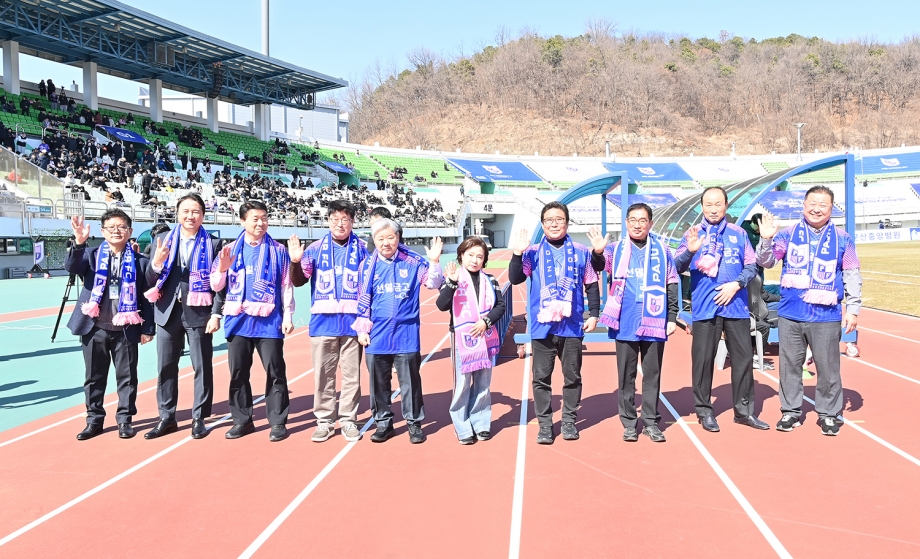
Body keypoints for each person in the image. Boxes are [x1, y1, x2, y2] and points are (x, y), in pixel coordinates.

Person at [756, 186, 862, 436]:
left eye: (823, 204)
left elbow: (852, 274)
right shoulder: (787, 234)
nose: (816, 208)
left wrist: (853, 308)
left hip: (826, 316)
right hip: (791, 313)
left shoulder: (843, 239)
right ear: (803, 206)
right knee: (790, 366)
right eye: (812, 203)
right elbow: (766, 262)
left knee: (828, 368)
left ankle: (829, 414)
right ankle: (790, 411)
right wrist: (766, 239)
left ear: (831, 209)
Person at [674, 187, 768, 433]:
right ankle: (704, 411)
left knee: (744, 360)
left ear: (726, 205)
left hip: (736, 307)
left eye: (718, 204)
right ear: (701, 207)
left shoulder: (739, 234)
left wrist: (736, 284)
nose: (713, 209)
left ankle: (744, 412)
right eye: (708, 204)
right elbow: (674, 266)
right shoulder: (692, 234)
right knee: (703, 362)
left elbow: (751, 267)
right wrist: (690, 251)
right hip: (705, 308)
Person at [509, 201, 600, 445]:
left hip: (571, 326)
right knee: (541, 378)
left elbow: (591, 284)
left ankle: (569, 421)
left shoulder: (581, 251)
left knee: (572, 376)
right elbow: (515, 277)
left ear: (567, 223)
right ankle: (545, 425)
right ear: (542, 224)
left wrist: (593, 313)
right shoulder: (532, 251)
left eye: (559, 219)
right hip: (542, 327)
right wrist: (517, 253)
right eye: (549, 220)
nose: (554, 223)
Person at [587, 203, 679, 443]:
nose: (638, 225)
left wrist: (672, 317)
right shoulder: (614, 250)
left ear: (650, 223)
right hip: (624, 321)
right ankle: (629, 422)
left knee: (652, 375)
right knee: (626, 376)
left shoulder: (663, 251)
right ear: (626, 223)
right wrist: (597, 252)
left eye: (643, 220)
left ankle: (650, 422)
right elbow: (597, 267)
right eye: (633, 220)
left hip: (655, 320)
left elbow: (671, 283)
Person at [65, 211, 155, 440]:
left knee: (127, 378)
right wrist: (79, 241)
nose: (117, 230)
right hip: (94, 327)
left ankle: (125, 420)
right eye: (111, 226)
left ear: (130, 232)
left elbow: (147, 297)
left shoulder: (139, 261)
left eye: (122, 226)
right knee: (94, 377)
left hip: (126, 329)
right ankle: (94, 420)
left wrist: (147, 329)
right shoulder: (92, 255)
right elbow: (72, 267)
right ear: (102, 231)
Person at [210, 200, 295, 441]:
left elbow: (285, 286)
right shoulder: (229, 250)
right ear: (242, 221)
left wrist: (287, 316)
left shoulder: (278, 251)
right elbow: (216, 286)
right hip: (238, 321)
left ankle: (278, 421)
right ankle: (242, 420)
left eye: (264, 218)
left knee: (276, 371)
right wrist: (222, 269)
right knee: (238, 373)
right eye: (255, 218)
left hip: (269, 321)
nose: (261, 223)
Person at [353, 219, 444, 444]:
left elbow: (434, 283)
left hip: (406, 333)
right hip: (377, 334)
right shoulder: (366, 266)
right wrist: (362, 328)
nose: (386, 243)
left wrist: (434, 261)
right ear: (374, 241)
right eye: (380, 239)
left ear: (398, 238)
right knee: (378, 383)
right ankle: (383, 423)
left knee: (410, 382)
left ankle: (414, 423)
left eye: (390, 237)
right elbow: (361, 298)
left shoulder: (413, 261)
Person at [143, 194, 225, 440]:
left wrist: (216, 313)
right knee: (165, 367)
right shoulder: (160, 240)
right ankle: (166, 417)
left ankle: (199, 417)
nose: (191, 216)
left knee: (201, 366)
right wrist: (156, 264)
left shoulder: (214, 243)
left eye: (196, 211)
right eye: (186, 211)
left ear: (203, 215)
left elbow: (220, 283)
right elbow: (148, 279)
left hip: (199, 312)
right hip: (167, 312)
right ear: (177, 213)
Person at [288, 200, 368, 443]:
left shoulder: (363, 248)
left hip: (353, 325)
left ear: (352, 222)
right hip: (323, 324)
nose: (340, 224)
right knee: (324, 376)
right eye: (335, 219)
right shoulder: (314, 249)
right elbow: (300, 281)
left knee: (352, 376)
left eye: (345, 219)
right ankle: (324, 421)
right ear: (328, 221)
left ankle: (348, 419)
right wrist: (295, 261)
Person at [436, 237, 504, 444]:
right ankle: (462, 426)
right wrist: (452, 283)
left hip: (485, 335)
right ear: (461, 256)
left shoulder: (490, 280)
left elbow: (500, 306)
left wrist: (486, 321)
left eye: (479, 256)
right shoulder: (454, 278)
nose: (475, 260)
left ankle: (482, 423)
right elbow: (441, 305)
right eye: (470, 255)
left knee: (483, 383)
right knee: (463, 384)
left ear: (484, 260)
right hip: (461, 338)